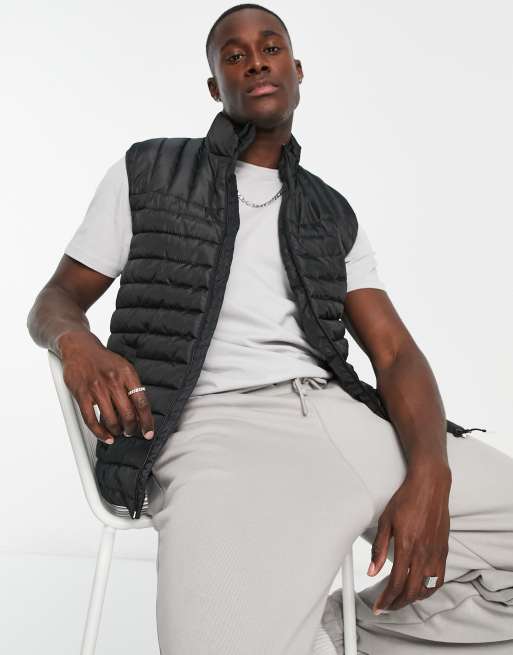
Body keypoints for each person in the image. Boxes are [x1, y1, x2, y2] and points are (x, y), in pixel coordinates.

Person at [27, 3, 513, 654]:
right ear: (215, 87)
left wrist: (430, 472)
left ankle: (331, 637)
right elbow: (56, 298)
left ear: (296, 70)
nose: (255, 61)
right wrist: (77, 343)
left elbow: (395, 352)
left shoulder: (328, 212)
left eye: (270, 47)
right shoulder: (149, 173)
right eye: (234, 56)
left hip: (339, 415)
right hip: (211, 426)